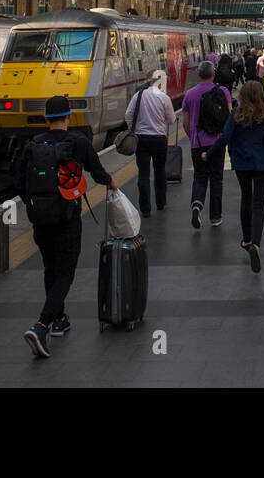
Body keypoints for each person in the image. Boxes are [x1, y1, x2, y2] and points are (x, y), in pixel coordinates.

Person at [18, 94, 115, 359]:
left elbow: (20, 184)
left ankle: (59, 318)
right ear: (68, 116)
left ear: (47, 118)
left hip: (40, 218)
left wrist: (35, 206)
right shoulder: (79, 143)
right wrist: (111, 182)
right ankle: (41, 325)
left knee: (50, 268)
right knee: (66, 271)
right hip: (67, 216)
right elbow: (96, 173)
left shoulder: (33, 145)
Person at [205, 80, 264, 273]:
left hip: (243, 165)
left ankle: (246, 240)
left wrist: (208, 154)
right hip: (263, 165)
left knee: (246, 199)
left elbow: (224, 138)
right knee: (258, 205)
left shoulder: (236, 115)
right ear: (261, 95)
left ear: (242, 96)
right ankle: (256, 245)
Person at [182, 61, 231, 228]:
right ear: (213, 74)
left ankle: (197, 203)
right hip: (217, 143)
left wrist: (193, 137)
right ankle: (215, 217)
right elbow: (229, 117)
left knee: (200, 176)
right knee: (217, 178)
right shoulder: (223, 91)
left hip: (198, 143)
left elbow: (185, 122)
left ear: (198, 74)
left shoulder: (189, 94)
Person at [125, 69, 176, 215]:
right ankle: (160, 203)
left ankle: (145, 208)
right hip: (159, 139)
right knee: (160, 171)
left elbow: (128, 115)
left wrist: (133, 129)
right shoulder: (164, 98)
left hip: (141, 139)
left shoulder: (139, 95)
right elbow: (171, 120)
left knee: (143, 174)